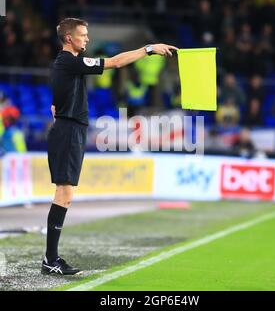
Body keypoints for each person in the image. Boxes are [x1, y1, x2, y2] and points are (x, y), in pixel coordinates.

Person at [42, 17, 178, 275]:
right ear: (69, 38)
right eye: (83, 35)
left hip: (71, 129)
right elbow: (115, 62)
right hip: (69, 130)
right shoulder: (70, 61)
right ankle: (50, 259)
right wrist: (148, 49)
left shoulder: (68, 64)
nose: (87, 39)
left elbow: (56, 100)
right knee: (64, 194)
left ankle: (51, 259)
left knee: (65, 194)